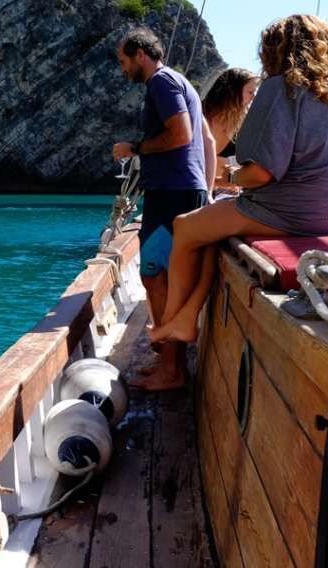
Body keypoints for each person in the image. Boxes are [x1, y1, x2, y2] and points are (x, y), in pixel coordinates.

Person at [150, 15, 328, 351]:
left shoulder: (281, 88)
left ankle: (171, 326)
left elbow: (260, 174)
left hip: (281, 213)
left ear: (276, 50)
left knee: (184, 227)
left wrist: (228, 176)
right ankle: (186, 317)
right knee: (210, 233)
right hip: (327, 219)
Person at [111, 28, 210, 390]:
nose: (123, 70)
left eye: (124, 61)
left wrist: (136, 148)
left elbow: (181, 134)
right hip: (180, 191)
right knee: (165, 277)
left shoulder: (161, 84)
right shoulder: (178, 81)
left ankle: (171, 370)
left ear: (140, 54)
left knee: (156, 276)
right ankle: (169, 364)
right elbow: (205, 139)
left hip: (173, 193)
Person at [202, 68, 260, 195]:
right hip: (178, 185)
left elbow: (215, 174)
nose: (254, 97)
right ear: (233, 91)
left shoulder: (239, 125)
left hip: (206, 192)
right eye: (251, 92)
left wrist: (223, 181)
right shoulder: (199, 114)